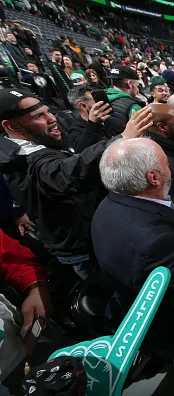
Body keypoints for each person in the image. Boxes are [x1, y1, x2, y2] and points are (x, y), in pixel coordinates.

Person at [91, 138, 174, 393]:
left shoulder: (109, 203)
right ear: (153, 177)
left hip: (135, 302)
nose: (170, 168)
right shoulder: (157, 240)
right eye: (166, 163)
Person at [0, 90, 152, 279]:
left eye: (48, 112)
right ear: (11, 125)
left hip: (91, 234)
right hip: (83, 248)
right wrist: (120, 140)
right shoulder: (21, 161)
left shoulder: (39, 140)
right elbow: (66, 172)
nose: (51, 119)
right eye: (38, 116)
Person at [66, 86, 112, 152]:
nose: (101, 102)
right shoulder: (76, 131)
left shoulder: (107, 118)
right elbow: (83, 153)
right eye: (95, 98)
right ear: (83, 106)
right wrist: (93, 124)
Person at [104, 65, 144, 137]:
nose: (138, 90)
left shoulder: (99, 99)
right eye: (138, 86)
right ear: (129, 83)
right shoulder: (134, 108)